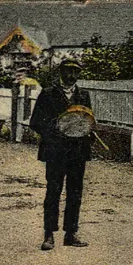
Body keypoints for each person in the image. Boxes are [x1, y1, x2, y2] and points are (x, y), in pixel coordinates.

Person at [28, 60, 92, 251]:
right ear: (61, 72)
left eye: (76, 72)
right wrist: (56, 129)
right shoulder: (48, 94)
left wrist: (86, 131)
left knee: (75, 192)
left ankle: (71, 233)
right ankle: (49, 235)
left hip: (78, 151)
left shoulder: (83, 95)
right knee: (53, 192)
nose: (72, 75)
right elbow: (35, 122)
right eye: (68, 71)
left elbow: (87, 119)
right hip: (55, 151)